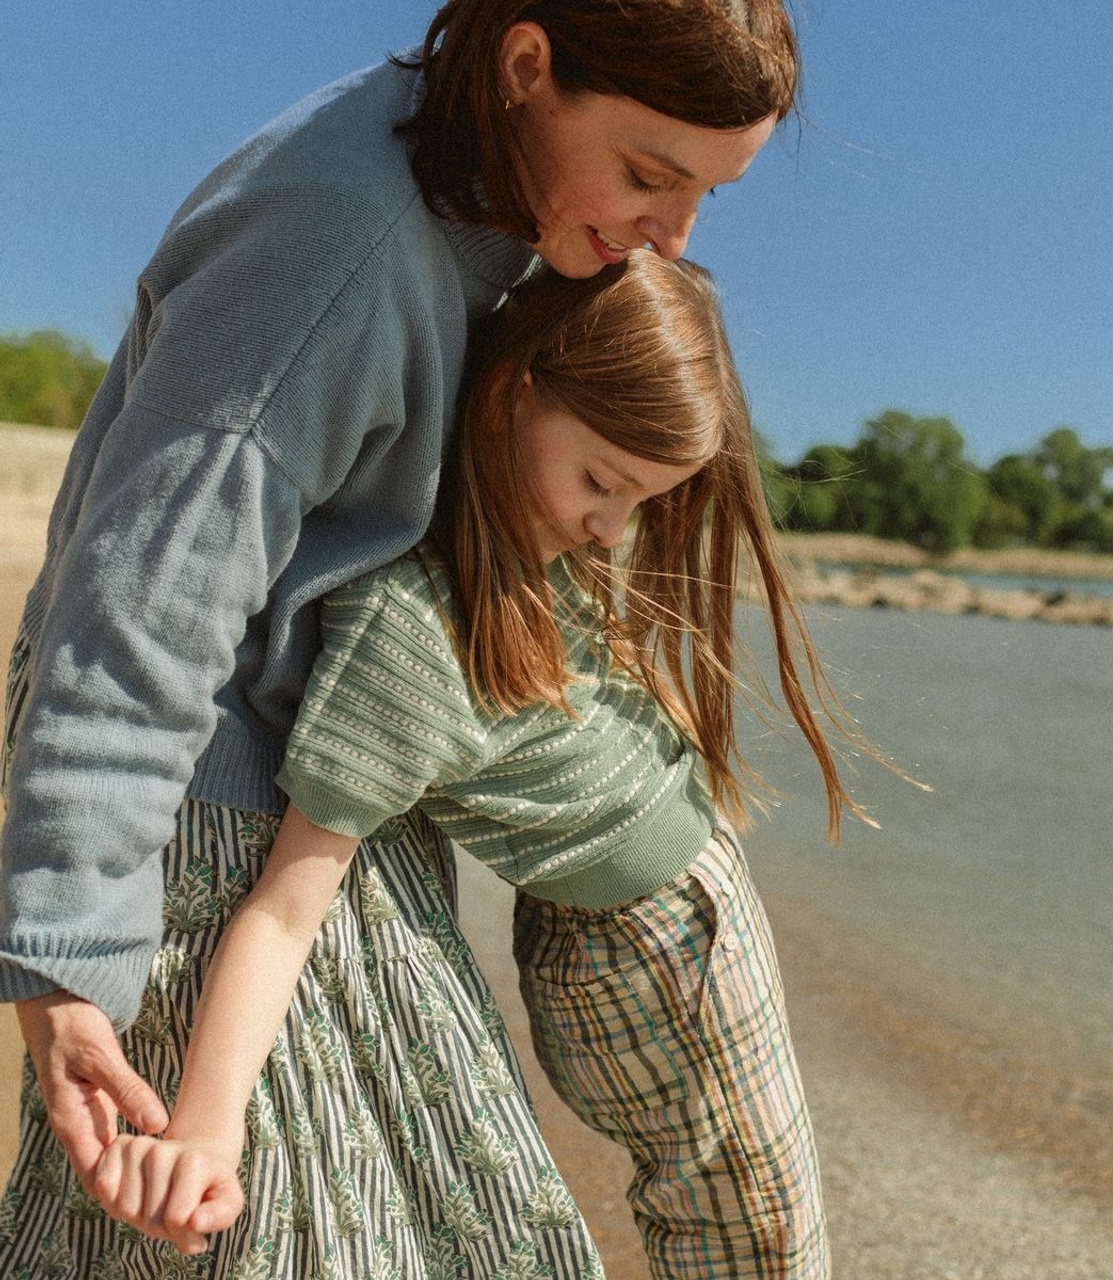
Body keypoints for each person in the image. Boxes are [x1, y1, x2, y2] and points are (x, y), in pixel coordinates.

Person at [0, 0, 798, 1263]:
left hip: (291, 773)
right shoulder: (337, 240)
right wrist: (72, 946)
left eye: (706, 192)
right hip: (198, 809)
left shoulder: (484, 171)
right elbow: (140, 600)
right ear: (527, 63)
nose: (672, 234)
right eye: (651, 174)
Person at [85, 252, 888, 1278]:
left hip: (668, 918)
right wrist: (206, 1128)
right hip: (643, 948)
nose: (611, 525)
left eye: (640, 498)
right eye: (602, 481)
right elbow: (287, 903)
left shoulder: (531, 541)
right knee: (754, 1233)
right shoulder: (412, 633)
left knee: (745, 1219)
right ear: (510, 390)